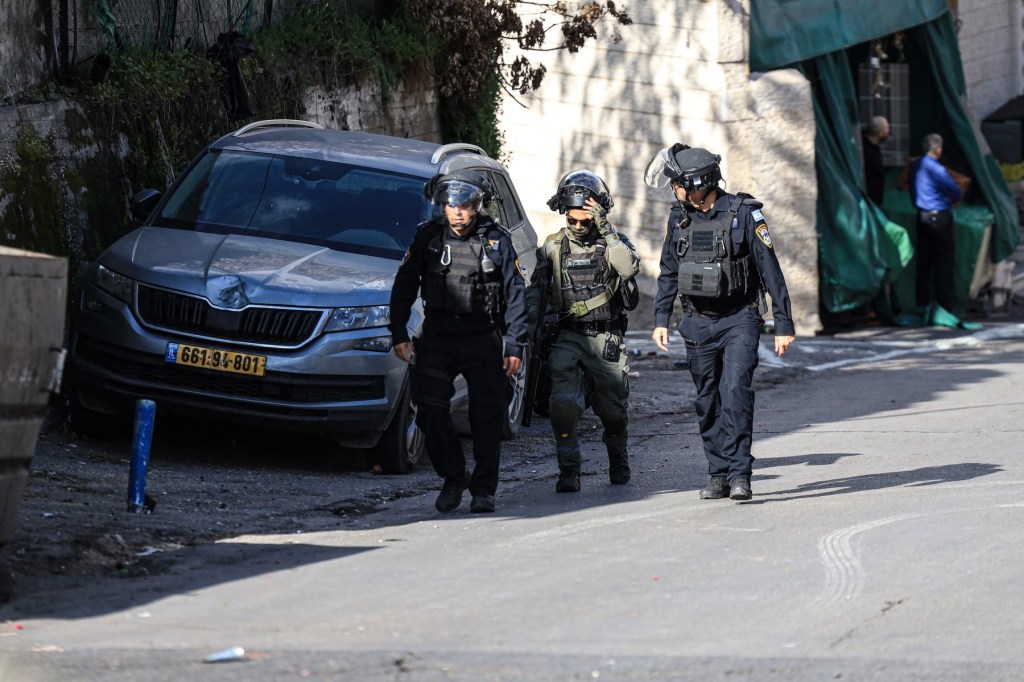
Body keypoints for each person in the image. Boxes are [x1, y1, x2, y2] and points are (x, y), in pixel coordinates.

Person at [645, 144, 796, 501]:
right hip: (697, 321)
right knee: (707, 401)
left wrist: (784, 323)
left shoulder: (744, 214)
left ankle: (740, 473)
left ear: (698, 183)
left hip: (738, 320)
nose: (674, 189)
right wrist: (661, 318)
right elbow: (668, 271)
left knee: (735, 394)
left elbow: (770, 270)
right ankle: (718, 474)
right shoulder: (678, 217)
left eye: (677, 183)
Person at [388, 169, 529, 514]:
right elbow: (404, 285)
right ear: (444, 206)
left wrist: (514, 345)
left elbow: (515, 294)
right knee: (429, 409)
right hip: (437, 335)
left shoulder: (494, 240)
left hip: (482, 336)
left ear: (476, 206)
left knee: (486, 417)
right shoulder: (429, 237)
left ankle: (483, 490)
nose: (458, 212)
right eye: (452, 205)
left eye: (465, 206)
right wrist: (398, 333)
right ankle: (453, 476)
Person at [532, 170, 641, 492]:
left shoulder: (612, 242)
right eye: (572, 219)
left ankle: (618, 457)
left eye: (585, 220)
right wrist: (525, 334)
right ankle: (569, 470)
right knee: (562, 406)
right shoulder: (552, 246)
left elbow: (628, 267)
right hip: (568, 336)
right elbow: (535, 292)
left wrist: (606, 229)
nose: (578, 226)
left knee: (613, 411)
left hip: (605, 337)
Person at [908, 133, 962, 324]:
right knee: (943, 264)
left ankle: (922, 306)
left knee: (924, 264)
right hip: (939, 216)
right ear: (938, 149)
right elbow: (954, 190)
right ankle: (945, 308)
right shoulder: (936, 168)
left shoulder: (915, 165)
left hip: (921, 215)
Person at [862, 115, 890, 206]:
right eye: (886, 128)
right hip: (867, 197)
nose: (888, 131)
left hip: (874, 198)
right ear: (879, 132)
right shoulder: (864, 149)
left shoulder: (874, 147)